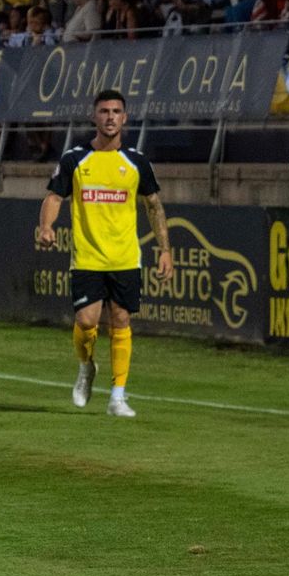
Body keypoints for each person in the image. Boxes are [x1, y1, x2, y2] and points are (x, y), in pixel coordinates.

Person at [37, 91, 173, 419]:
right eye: (104, 111)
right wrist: (45, 227)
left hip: (126, 257)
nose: (110, 117)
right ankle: (86, 367)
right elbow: (54, 197)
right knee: (86, 322)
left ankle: (118, 396)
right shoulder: (75, 159)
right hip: (87, 257)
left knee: (122, 320)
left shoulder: (137, 162)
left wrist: (165, 250)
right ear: (94, 117)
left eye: (116, 111)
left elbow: (153, 205)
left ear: (125, 118)